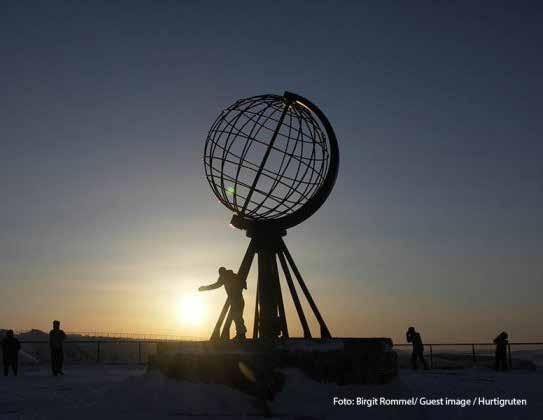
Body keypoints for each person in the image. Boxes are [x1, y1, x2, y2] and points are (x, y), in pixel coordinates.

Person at [199, 267, 247, 339]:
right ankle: (241, 334)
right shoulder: (233, 275)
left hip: (235, 300)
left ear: (222, 273)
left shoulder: (224, 277)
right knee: (237, 316)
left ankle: (241, 334)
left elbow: (216, 285)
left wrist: (204, 288)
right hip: (239, 299)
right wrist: (242, 287)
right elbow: (243, 282)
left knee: (237, 317)